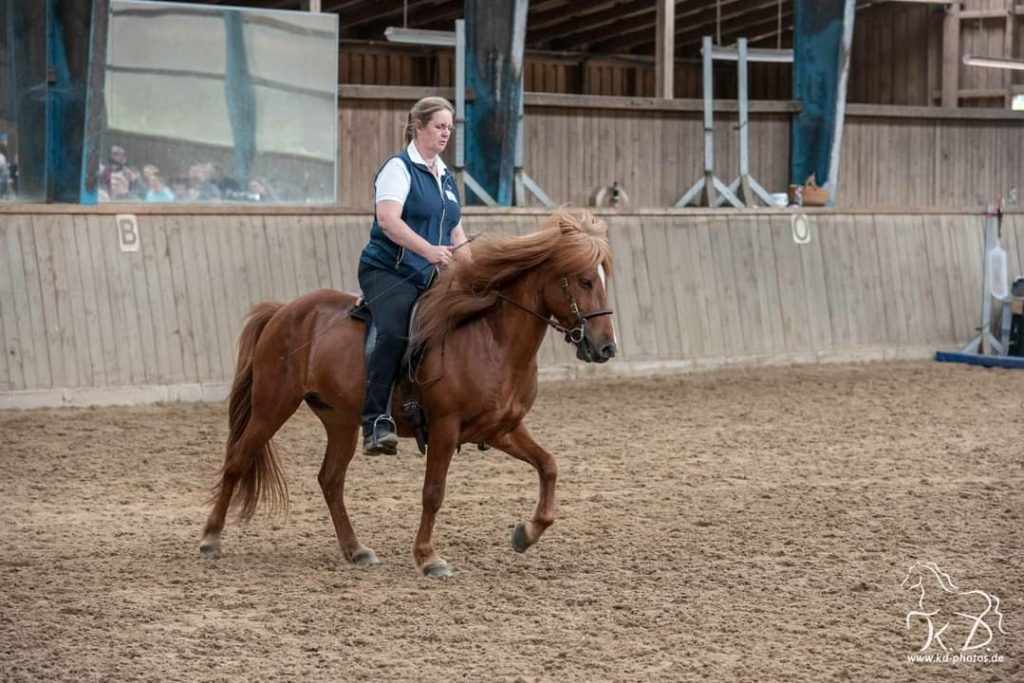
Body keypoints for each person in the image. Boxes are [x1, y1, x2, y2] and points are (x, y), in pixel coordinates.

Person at [357, 96, 467, 455]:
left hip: (428, 273)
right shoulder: (398, 168)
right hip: (388, 269)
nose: (445, 133)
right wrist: (428, 251)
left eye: (449, 128)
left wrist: (475, 270)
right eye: (439, 126)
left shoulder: (446, 177)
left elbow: (455, 232)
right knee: (395, 331)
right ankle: (375, 421)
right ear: (418, 126)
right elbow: (389, 221)